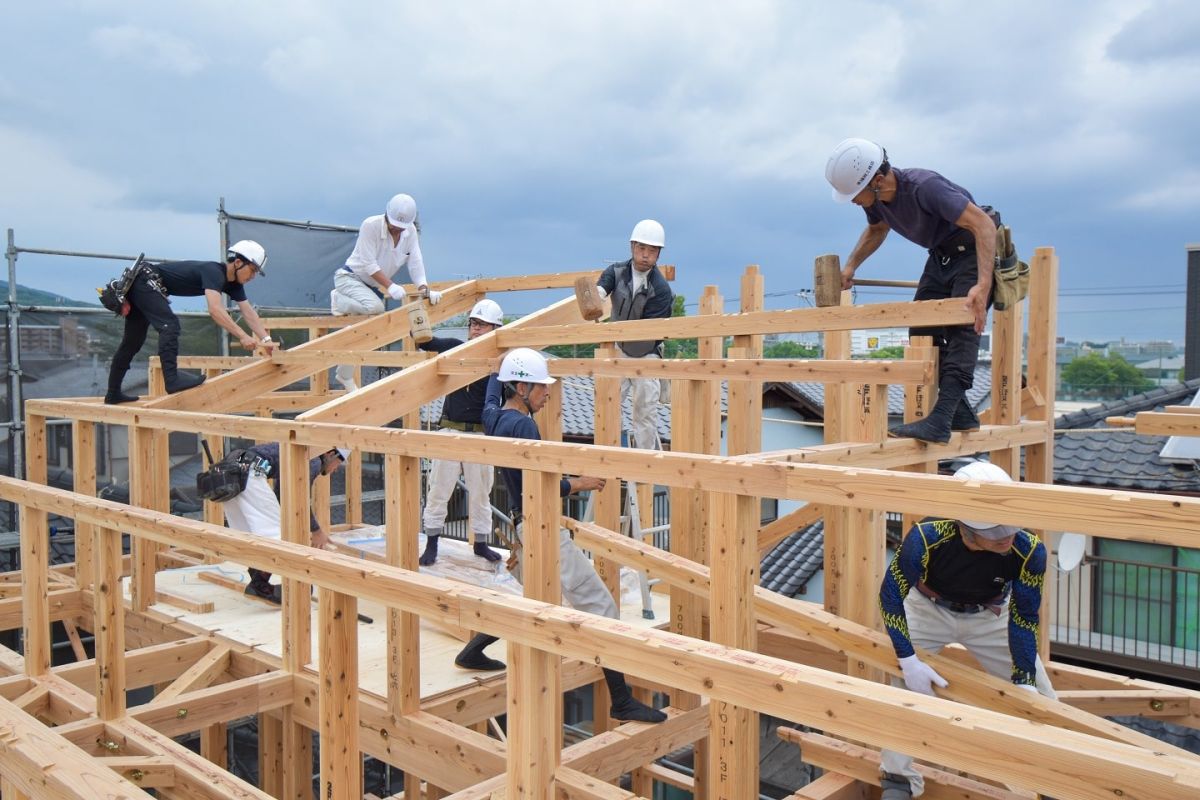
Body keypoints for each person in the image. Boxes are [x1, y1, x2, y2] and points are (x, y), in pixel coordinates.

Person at [452, 348, 667, 724]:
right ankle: (621, 700)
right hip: (541, 524)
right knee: (602, 607)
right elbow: (540, 486)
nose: (547, 394)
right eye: (540, 387)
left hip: (522, 527)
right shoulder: (524, 427)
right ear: (520, 387)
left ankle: (473, 650)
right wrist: (580, 483)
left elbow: (490, 397)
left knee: (527, 598)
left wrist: (495, 365)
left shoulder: (493, 418)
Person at [877, 461, 1056, 799]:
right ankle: (898, 778)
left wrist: (1024, 679)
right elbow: (890, 597)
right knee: (902, 687)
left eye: (1009, 528)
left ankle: (1052, 783)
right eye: (995, 532)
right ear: (965, 526)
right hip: (928, 608)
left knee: (1043, 698)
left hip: (990, 616)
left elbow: (1024, 616)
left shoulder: (1029, 549)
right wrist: (908, 659)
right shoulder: (927, 537)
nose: (1005, 536)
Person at [825, 138, 998, 443]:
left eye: (855, 193)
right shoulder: (877, 200)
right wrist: (851, 266)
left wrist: (983, 285)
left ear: (877, 180)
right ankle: (960, 413)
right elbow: (878, 229)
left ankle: (940, 421)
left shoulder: (924, 187)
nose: (852, 200)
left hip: (972, 249)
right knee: (921, 327)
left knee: (962, 329)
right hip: (941, 254)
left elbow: (983, 225)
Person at [105, 240, 274, 404]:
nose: (253, 276)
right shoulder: (214, 272)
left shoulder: (234, 285)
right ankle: (172, 380)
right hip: (144, 281)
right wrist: (243, 336)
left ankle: (113, 394)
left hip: (143, 284)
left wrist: (266, 340)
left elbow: (248, 312)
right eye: (252, 270)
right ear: (238, 262)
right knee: (169, 325)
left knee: (132, 343)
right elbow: (215, 310)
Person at [418, 298, 506, 566]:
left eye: (482, 324)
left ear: (495, 328)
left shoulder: (500, 362)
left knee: (482, 492)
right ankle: (431, 544)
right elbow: (427, 343)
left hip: (479, 434)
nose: (475, 329)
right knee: (439, 489)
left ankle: (480, 543)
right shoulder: (457, 349)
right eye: (473, 324)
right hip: (451, 430)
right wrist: (417, 317)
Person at [331, 193, 442, 391]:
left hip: (369, 288)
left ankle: (343, 373)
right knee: (376, 308)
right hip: (349, 278)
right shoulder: (370, 225)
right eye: (393, 224)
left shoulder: (410, 233)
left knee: (366, 332)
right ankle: (338, 300)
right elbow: (368, 263)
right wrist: (390, 286)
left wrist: (424, 289)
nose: (396, 228)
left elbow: (415, 261)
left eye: (401, 226)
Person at [221, 443, 349, 602]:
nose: (336, 469)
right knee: (278, 535)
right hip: (248, 472)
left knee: (250, 535)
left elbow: (282, 493)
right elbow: (298, 499)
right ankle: (267, 584)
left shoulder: (299, 453)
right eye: (339, 462)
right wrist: (316, 532)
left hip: (230, 469)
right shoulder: (313, 459)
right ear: (330, 453)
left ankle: (257, 580)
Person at [594, 220, 673, 450]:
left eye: (651, 251)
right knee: (607, 402)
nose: (645, 255)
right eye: (641, 249)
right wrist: (596, 295)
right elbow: (603, 285)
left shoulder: (661, 290)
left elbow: (648, 331)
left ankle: (644, 460)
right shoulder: (617, 272)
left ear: (658, 254)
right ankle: (608, 451)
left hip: (646, 352)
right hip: (619, 346)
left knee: (644, 410)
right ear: (632, 246)